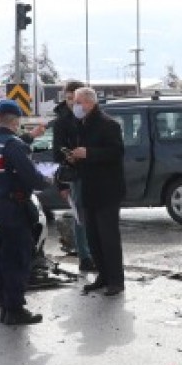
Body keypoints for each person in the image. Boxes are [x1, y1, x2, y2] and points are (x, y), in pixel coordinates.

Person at [0, 99, 51, 325]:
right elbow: (32, 178)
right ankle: (14, 309)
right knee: (16, 258)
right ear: (16, 122)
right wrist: (49, 179)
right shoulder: (13, 144)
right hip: (12, 209)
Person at [67, 87, 126, 296]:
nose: (75, 106)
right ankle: (103, 275)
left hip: (107, 189)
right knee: (93, 236)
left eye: (78, 102)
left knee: (108, 237)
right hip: (89, 188)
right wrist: (75, 157)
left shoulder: (108, 124)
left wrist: (89, 153)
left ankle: (116, 280)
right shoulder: (81, 125)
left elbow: (116, 152)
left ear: (89, 103)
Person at [52, 80, 95, 272]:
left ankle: (94, 254)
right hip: (75, 174)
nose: (71, 103)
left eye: (75, 99)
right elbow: (57, 153)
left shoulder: (91, 117)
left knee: (93, 216)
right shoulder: (62, 122)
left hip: (93, 172)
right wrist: (61, 183)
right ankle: (85, 257)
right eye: (68, 99)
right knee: (80, 217)